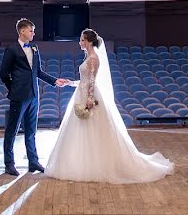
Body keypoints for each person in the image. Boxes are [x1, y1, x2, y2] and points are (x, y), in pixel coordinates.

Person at [45, 28, 174, 183]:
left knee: (92, 130)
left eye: (82, 40)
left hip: (88, 96)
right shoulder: (88, 57)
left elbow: (92, 81)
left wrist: (90, 98)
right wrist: (70, 82)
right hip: (82, 93)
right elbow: (85, 81)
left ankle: (93, 165)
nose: (80, 42)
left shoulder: (93, 58)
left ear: (89, 41)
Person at [0, 18, 69, 176]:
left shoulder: (34, 48)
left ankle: (33, 162)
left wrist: (54, 81)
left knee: (31, 131)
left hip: (33, 96)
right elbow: (3, 74)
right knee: (12, 131)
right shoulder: (11, 49)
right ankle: (9, 164)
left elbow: (38, 72)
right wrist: (14, 89)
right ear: (23, 31)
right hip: (19, 96)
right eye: (31, 30)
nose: (33, 33)